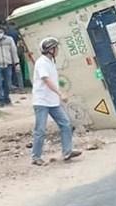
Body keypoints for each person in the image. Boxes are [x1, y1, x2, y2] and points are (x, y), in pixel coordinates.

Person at [31, 37, 82, 166]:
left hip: (52, 101)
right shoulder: (42, 62)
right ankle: (36, 157)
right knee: (40, 130)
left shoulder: (50, 62)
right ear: (51, 50)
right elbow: (46, 80)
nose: (58, 50)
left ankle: (67, 151)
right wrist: (60, 93)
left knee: (65, 124)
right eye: (56, 48)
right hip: (42, 101)